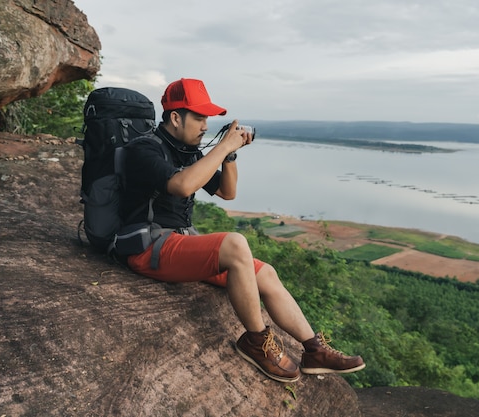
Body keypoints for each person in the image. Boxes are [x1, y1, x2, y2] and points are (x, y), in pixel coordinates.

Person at [119, 77, 365, 382]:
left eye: (207, 118)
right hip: (148, 247)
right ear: (174, 117)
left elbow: (227, 192)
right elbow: (181, 186)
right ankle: (256, 340)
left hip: (180, 243)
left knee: (266, 273)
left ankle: (314, 350)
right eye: (199, 117)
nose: (205, 125)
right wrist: (222, 147)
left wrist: (230, 155)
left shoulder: (189, 151)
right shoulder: (145, 149)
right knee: (235, 244)